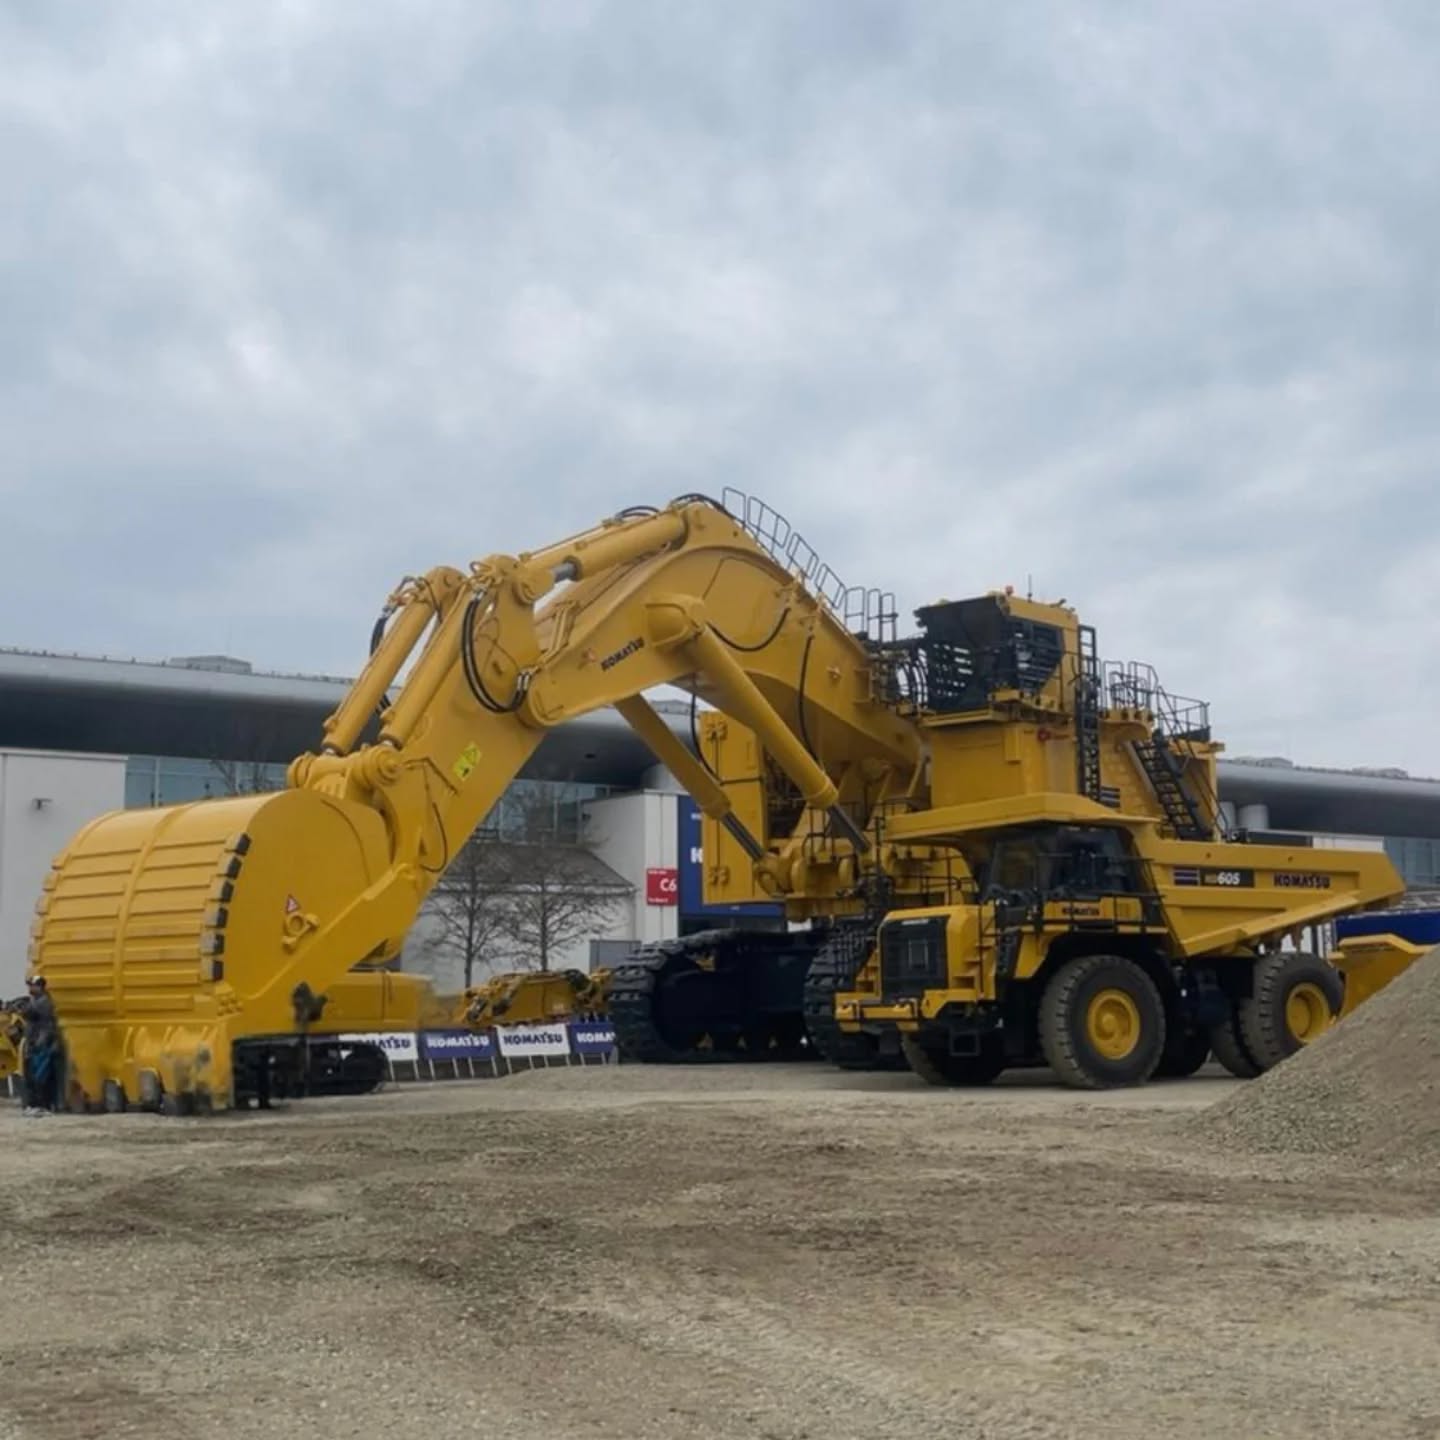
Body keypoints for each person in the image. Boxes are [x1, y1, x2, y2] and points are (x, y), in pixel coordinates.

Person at [18, 974, 61, 1117]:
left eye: (32, 985)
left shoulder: (44, 1002)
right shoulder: (34, 1001)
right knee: (31, 1076)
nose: (30, 988)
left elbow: (46, 1024)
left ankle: (43, 1106)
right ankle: (34, 1105)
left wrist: (41, 1042)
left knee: (41, 1077)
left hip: (41, 1044)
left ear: (40, 986)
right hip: (34, 1043)